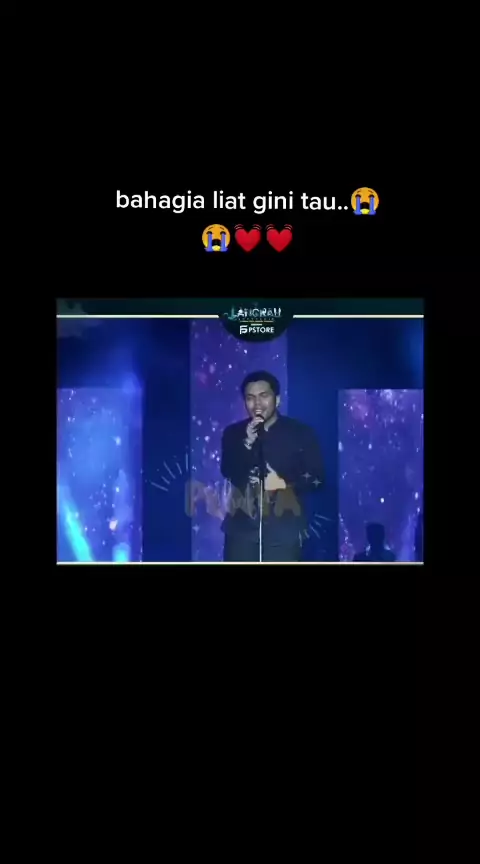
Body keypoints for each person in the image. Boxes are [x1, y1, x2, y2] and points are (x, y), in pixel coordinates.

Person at [220, 371, 323, 562]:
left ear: (277, 399)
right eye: (250, 398)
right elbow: (228, 470)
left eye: (263, 396)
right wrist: (247, 443)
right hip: (241, 530)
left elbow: (318, 478)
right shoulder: (234, 433)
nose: (257, 404)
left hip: (285, 530)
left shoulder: (301, 433)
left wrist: (283, 484)